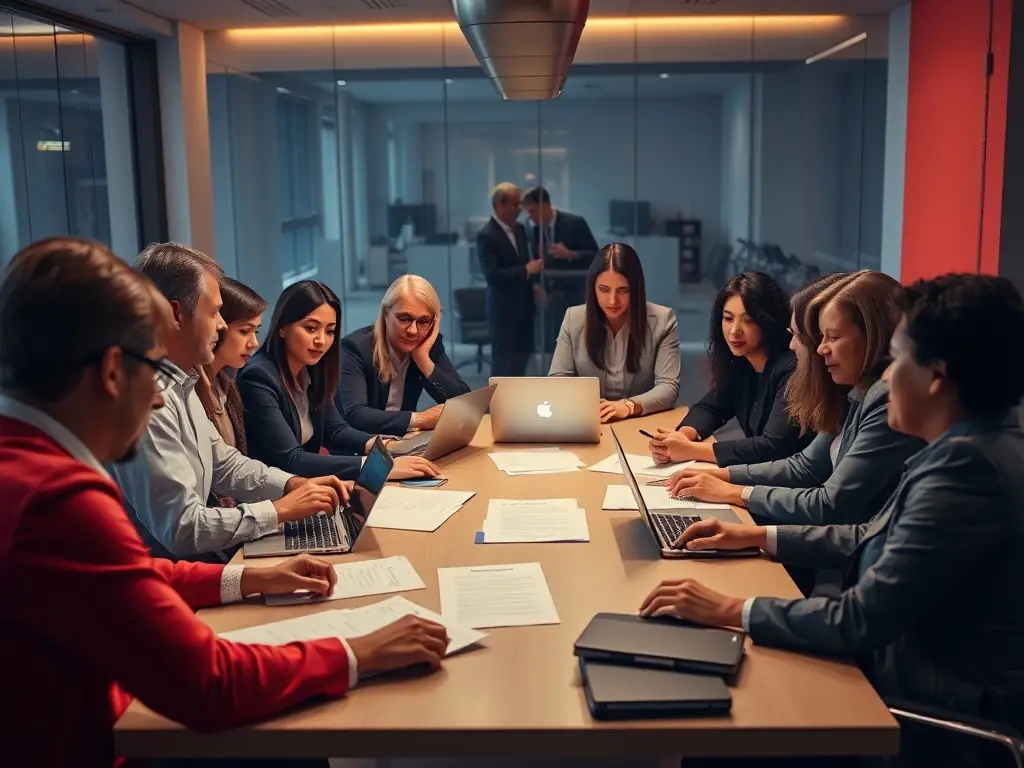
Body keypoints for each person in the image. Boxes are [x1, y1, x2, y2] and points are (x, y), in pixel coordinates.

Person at [0, 237, 451, 767]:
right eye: (152, 370)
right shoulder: (59, 499)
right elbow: (208, 683)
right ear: (112, 372)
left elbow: (127, 572)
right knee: (292, 741)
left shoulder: (25, 463)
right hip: (103, 745)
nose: (160, 395)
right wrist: (357, 651)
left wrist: (247, 578)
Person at [641, 274, 1024, 768]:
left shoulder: (965, 472)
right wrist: (755, 536)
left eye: (897, 359)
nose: (885, 376)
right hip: (902, 673)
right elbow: (869, 535)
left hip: (925, 717)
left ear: (936, 376)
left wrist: (732, 608)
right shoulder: (977, 446)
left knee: (717, 736)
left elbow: (861, 620)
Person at [110, 243, 352, 563]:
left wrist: (292, 485)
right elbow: (183, 528)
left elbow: (224, 462)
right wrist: (279, 511)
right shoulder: (147, 397)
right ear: (175, 314)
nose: (222, 325)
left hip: (201, 561)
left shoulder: (181, 380)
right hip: (173, 575)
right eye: (213, 312)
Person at [667, 270, 924, 528]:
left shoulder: (879, 397)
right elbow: (804, 466)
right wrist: (718, 475)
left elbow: (828, 503)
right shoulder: (853, 391)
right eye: (727, 318)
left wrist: (731, 490)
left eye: (830, 336)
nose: (796, 346)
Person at [238, 279, 440, 481]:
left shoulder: (312, 369)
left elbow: (335, 430)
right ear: (282, 327)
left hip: (309, 487)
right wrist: (379, 466)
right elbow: (292, 459)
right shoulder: (258, 377)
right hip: (277, 493)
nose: (321, 340)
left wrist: (390, 447)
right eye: (311, 328)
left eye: (330, 331)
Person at [649, 272, 815, 467]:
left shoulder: (791, 369)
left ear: (769, 321)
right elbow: (711, 407)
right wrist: (684, 436)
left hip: (795, 478)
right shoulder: (742, 363)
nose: (734, 331)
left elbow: (772, 447)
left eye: (748, 320)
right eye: (728, 318)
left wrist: (690, 450)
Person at [548, 242, 680, 422]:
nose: (612, 301)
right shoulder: (574, 319)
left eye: (623, 291)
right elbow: (558, 379)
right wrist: (588, 405)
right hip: (589, 420)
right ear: (593, 288)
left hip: (640, 421)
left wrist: (628, 406)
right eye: (604, 290)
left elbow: (668, 386)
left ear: (636, 289)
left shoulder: (663, 320)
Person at [337, 274, 470, 437]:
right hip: (362, 445)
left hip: (404, 440)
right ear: (386, 313)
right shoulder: (355, 348)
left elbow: (463, 403)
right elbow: (356, 414)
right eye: (405, 319)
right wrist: (420, 419)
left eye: (424, 321)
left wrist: (423, 359)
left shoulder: (427, 345)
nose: (413, 331)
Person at [194, 277, 266, 508]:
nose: (254, 343)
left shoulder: (225, 384)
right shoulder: (191, 390)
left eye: (256, 331)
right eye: (245, 331)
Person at [522, 185, 600, 352]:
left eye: (533, 211)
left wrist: (570, 254)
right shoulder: (530, 228)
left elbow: (595, 255)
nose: (530, 216)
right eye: (528, 212)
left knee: (570, 340)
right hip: (545, 294)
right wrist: (536, 285)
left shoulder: (574, 223)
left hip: (572, 291)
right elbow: (531, 259)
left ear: (546, 205)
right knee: (549, 340)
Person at [477, 182, 542, 376]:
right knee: (503, 362)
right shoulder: (487, 235)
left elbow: (526, 260)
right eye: (515, 204)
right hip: (503, 310)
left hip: (525, 307)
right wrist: (525, 270)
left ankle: (516, 395)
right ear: (500, 205)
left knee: (522, 359)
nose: (520, 209)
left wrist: (535, 284)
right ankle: (500, 397)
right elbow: (493, 276)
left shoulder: (520, 229)